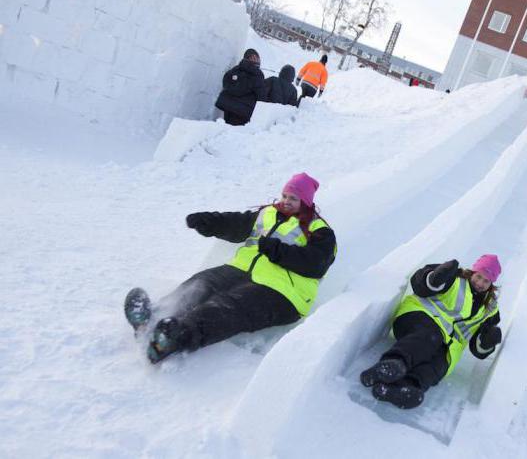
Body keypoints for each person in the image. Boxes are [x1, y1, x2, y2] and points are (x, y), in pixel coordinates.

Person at [123, 173, 337, 364]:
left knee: (227, 306)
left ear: (306, 202)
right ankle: (153, 318)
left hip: (283, 292)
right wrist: (210, 222)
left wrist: (276, 250)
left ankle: (176, 338)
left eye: (293, 198)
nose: (286, 201)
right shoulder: (268, 214)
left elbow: (315, 264)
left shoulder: (320, 231)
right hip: (241, 271)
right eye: (284, 195)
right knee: (202, 283)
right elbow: (236, 224)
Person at [360, 255, 503, 409]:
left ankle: (405, 387)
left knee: (439, 364)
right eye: (478, 276)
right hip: (419, 318)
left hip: (448, 345)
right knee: (429, 337)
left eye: (486, 280)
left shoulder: (490, 309)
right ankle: (392, 365)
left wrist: (488, 341)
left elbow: (478, 348)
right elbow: (419, 283)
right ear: (473, 272)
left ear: (492, 284)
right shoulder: (453, 278)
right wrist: (434, 278)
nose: (480, 283)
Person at [215, 48, 266, 126]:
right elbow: (261, 95)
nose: (256, 59)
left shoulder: (236, 69)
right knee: (235, 133)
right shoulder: (258, 74)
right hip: (243, 110)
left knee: (225, 129)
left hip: (228, 105)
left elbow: (226, 82)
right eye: (255, 58)